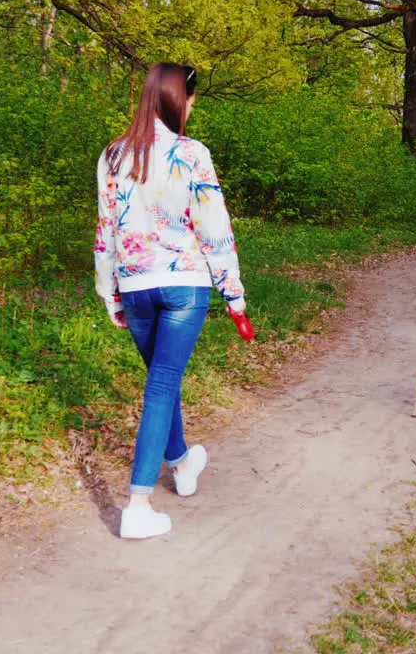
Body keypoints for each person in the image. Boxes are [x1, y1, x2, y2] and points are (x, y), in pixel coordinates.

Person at [94, 62, 249, 539]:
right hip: (184, 285)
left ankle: (182, 465)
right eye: (192, 97)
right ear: (177, 99)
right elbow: (214, 228)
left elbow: (106, 231)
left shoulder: (113, 156)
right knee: (162, 385)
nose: (193, 105)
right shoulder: (192, 153)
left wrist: (108, 291)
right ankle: (137, 506)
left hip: (136, 287)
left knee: (164, 379)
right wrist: (234, 296)